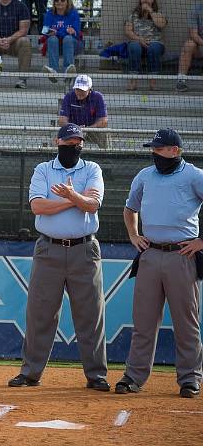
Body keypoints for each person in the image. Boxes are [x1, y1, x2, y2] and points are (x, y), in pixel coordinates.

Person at [8, 123, 109, 392]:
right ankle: (30, 373)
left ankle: (96, 375)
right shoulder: (43, 169)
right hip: (48, 249)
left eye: (78, 142)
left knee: (90, 314)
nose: (73, 146)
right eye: (68, 142)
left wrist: (71, 196)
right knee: (40, 313)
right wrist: (73, 199)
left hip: (84, 249)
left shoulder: (91, 169)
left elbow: (92, 204)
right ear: (58, 142)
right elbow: (38, 206)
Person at [116, 128, 203, 399]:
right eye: (153, 149)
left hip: (183, 255)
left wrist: (202, 241)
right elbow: (130, 208)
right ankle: (134, 376)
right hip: (150, 254)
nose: (155, 154)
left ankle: (190, 379)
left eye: (160, 149)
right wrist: (133, 235)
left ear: (174, 150)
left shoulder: (195, 175)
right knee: (143, 322)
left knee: (186, 323)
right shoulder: (145, 175)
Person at [124, 0, 167, 91]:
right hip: (137, 43)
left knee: (154, 48)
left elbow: (161, 24)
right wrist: (139, 40)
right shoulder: (133, 15)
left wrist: (150, 11)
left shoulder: (159, 13)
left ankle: (153, 82)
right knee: (134, 47)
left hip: (155, 44)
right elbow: (128, 31)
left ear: (153, 0)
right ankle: (133, 82)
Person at [58, 75, 109, 149]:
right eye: (77, 89)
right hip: (72, 130)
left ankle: (106, 156)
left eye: (82, 90)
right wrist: (75, 128)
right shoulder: (68, 96)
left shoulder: (98, 97)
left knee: (103, 134)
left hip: (92, 130)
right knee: (59, 134)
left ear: (90, 89)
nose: (79, 92)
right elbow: (62, 121)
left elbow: (103, 121)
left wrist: (88, 129)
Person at [42, 0, 82, 80]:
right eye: (56, 0)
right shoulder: (49, 13)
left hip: (72, 45)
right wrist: (64, 31)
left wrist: (57, 32)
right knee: (52, 39)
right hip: (56, 46)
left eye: (62, 0)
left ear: (68, 2)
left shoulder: (74, 13)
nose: (59, 2)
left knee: (67, 38)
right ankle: (53, 71)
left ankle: (68, 70)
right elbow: (45, 31)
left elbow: (76, 33)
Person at [175, 3, 203, 93]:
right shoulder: (196, 9)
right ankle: (181, 80)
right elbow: (193, 34)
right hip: (201, 46)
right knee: (188, 44)